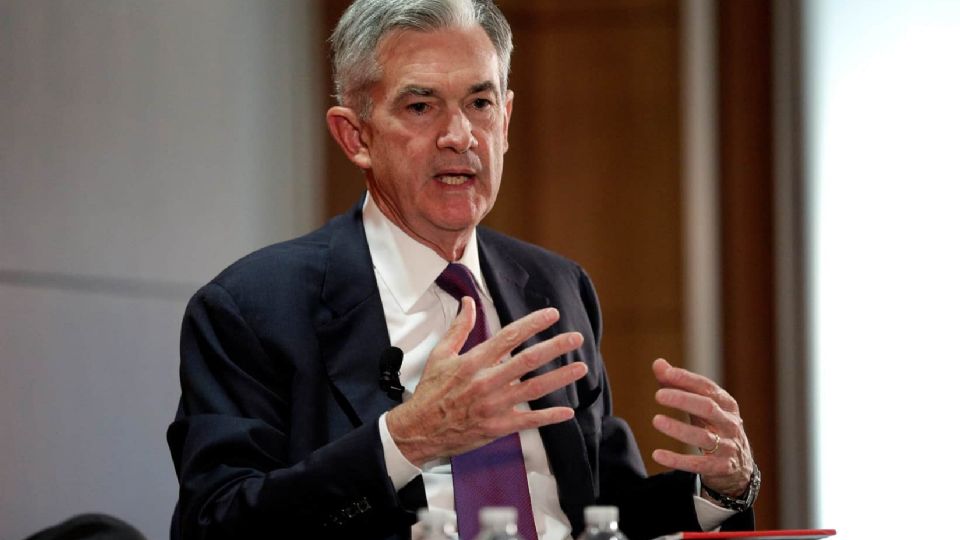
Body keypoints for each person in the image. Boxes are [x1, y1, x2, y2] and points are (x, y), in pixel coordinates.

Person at [167, 1, 759, 539]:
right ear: (355, 136)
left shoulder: (556, 287)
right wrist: (406, 439)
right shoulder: (254, 308)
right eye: (421, 106)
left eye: (479, 104)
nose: (459, 136)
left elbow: (604, 510)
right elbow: (216, 521)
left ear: (506, 119)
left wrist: (721, 489)